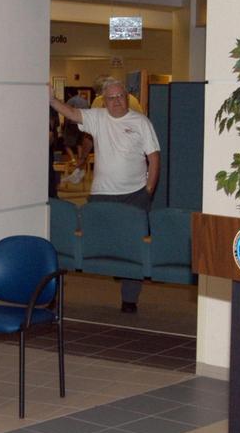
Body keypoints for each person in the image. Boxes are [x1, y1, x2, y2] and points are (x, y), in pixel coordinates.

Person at [49, 78, 160, 312]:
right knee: (85, 244)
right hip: (101, 196)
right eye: (112, 97)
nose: (117, 101)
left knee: (133, 249)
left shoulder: (141, 122)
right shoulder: (97, 118)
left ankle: (129, 299)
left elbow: (154, 158)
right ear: (104, 101)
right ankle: (51, 293)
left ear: (127, 98)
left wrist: (148, 191)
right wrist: (51, 99)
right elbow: (71, 113)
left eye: (121, 96)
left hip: (134, 196)